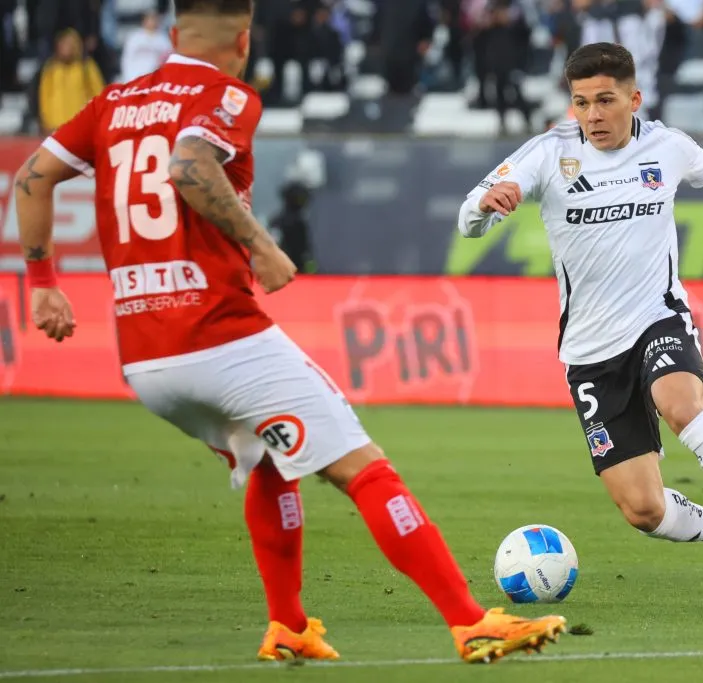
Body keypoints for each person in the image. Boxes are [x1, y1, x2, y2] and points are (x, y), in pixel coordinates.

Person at [14, 0, 565, 665]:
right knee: (363, 467)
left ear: (172, 29)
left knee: (273, 459)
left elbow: (32, 177)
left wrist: (44, 282)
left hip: (143, 356)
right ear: (243, 38)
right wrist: (261, 245)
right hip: (217, 334)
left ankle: (288, 624)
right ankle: (470, 619)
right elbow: (188, 165)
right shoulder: (228, 94)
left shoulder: (114, 102)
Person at [458, 42, 703, 599]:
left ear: (634, 98)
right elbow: (467, 220)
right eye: (581, 103)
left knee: (682, 404)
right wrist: (486, 205)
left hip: (658, 317)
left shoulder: (666, 146)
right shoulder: (546, 152)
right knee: (643, 509)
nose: (593, 115)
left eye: (605, 100)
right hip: (590, 351)